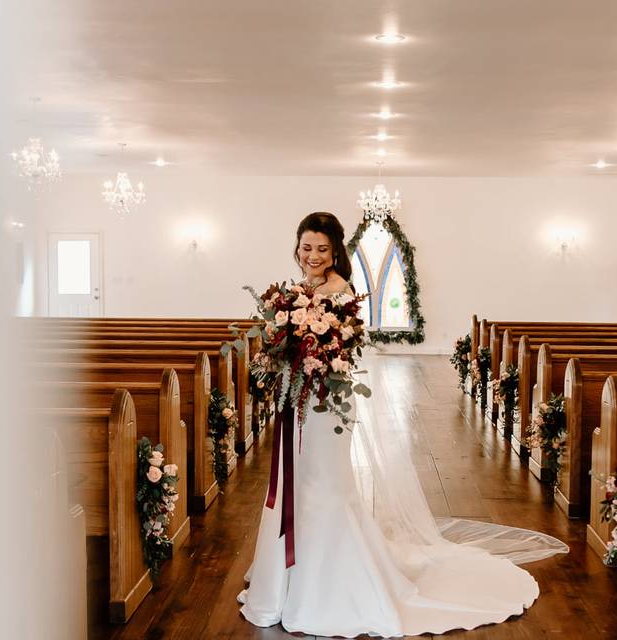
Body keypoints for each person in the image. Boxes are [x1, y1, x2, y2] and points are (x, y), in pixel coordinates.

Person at [237, 212, 567, 637]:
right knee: (293, 483)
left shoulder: (340, 290)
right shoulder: (295, 291)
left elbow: (346, 350)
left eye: (322, 249)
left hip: (327, 404)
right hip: (297, 400)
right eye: (306, 247)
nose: (313, 256)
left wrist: (314, 358)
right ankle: (284, 578)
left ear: (335, 250)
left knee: (324, 485)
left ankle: (329, 581)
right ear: (296, 247)